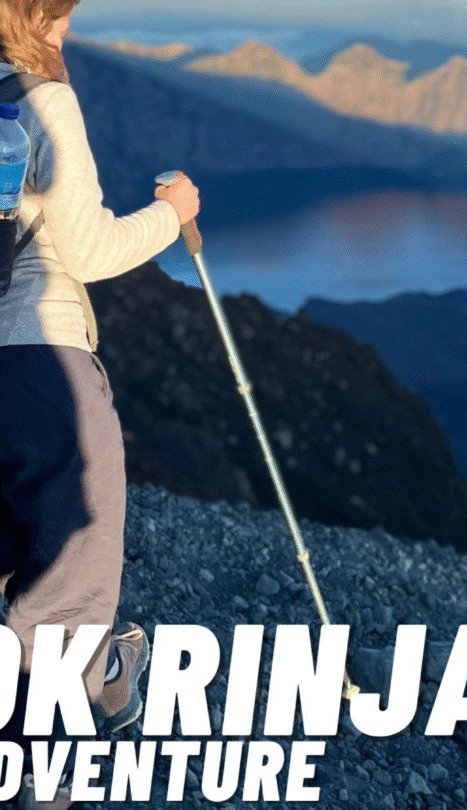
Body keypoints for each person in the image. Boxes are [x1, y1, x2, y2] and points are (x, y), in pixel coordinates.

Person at [0, 1, 200, 807]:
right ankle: (52, 770)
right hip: (44, 362)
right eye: (66, 15)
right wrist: (172, 214)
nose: (69, 32)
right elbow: (85, 250)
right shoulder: (42, 98)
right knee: (71, 578)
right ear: (43, 18)